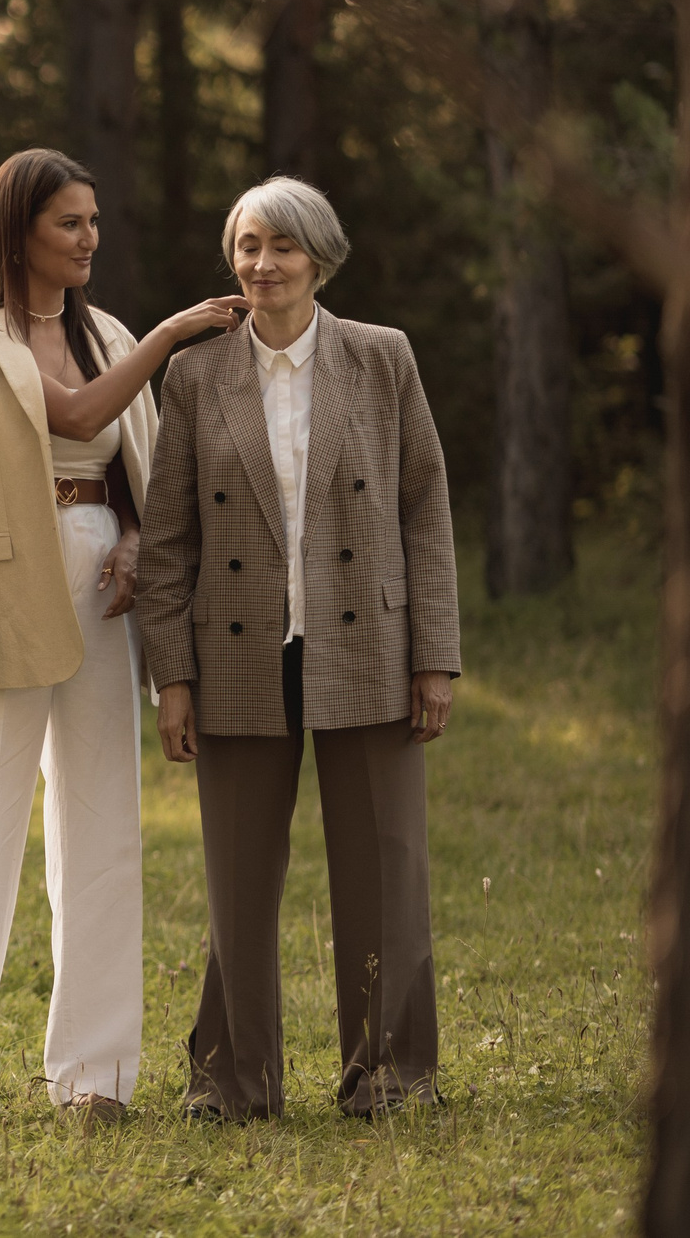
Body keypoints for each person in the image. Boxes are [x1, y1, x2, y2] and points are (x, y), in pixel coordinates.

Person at [0, 147, 245, 1114]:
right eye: (70, 223)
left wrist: (134, 537)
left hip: (101, 588)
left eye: (95, 221)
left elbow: (141, 463)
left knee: (101, 824)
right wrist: (176, 332)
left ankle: (97, 1075)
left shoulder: (108, 333)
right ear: (19, 230)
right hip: (0, 588)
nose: (90, 238)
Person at [137, 177, 458, 1119]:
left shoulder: (381, 357)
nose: (261, 264)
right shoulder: (195, 374)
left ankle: (390, 1075)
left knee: (386, 867)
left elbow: (426, 509)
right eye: (246, 246)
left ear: (319, 255)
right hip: (234, 650)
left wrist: (433, 652)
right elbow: (167, 538)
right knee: (238, 879)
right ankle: (234, 1082)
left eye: (281, 246)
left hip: (369, 644)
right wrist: (172, 675)